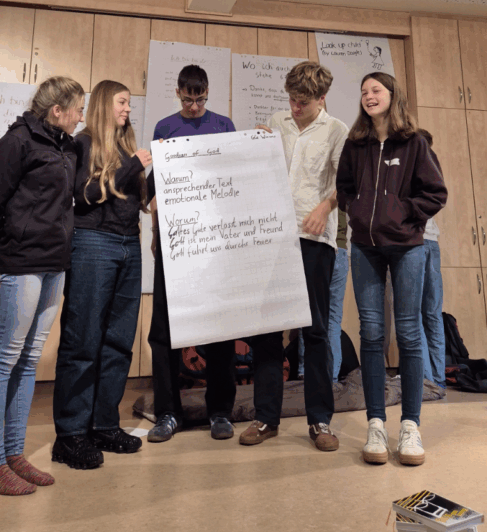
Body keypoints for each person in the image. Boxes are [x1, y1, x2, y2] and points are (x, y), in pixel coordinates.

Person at [0, 76, 85, 496]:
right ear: (57, 111)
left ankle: (13, 454)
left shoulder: (67, 147)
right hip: (22, 264)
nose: (80, 116)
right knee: (4, 358)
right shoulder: (17, 142)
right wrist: (1, 258)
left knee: (28, 359)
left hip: (55, 265)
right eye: (77, 109)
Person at [336, 72, 447, 466]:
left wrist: (401, 213)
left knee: (409, 333)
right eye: (364, 91)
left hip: (407, 247)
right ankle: (376, 425)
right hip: (365, 248)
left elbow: (435, 193)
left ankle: (411, 427)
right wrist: (358, 209)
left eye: (376, 90)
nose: (369, 96)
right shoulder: (356, 143)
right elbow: (344, 187)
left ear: (392, 95)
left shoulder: (414, 142)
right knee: (371, 332)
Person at [239, 61, 348, 452]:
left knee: (315, 331)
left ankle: (319, 420)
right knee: (267, 330)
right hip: (272, 237)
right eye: (291, 100)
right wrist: (254, 145)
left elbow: (346, 183)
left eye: (303, 102)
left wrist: (325, 207)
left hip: (314, 239)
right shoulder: (277, 121)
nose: (295, 107)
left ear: (322, 99)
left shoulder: (337, 131)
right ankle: (266, 418)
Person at [52, 80, 155, 470]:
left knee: (118, 343)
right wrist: (133, 166)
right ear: (103, 104)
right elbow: (84, 196)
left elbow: (138, 197)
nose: (128, 109)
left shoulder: (127, 147)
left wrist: (162, 171)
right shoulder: (83, 143)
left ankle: (103, 426)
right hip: (94, 243)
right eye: (122, 102)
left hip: (129, 245)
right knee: (83, 341)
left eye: (128, 103)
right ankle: (71, 435)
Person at [147, 64, 238, 444]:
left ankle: (220, 411)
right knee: (164, 331)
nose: (195, 106)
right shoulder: (164, 128)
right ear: (178, 93)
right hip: (175, 242)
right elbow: (155, 190)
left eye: (201, 99)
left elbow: (236, 178)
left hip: (214, 244)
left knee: (220, 329)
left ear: (207, 93)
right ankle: (169, 412)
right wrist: (156, 233)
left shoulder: (224, 126)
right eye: (188, 100)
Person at [298, 208, 349, 383]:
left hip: (316, 245)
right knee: (333, 319)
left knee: (309, 315)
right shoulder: (339, 192)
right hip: (340, 248)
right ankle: (331, 376)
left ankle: (306, 373)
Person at [418, 129, 446, 390]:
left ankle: (427, 380)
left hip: (414, 244)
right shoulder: (433, 167)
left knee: (413, 315)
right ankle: (437, 378)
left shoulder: (410, 165)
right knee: (433, 313)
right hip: (432, 242)